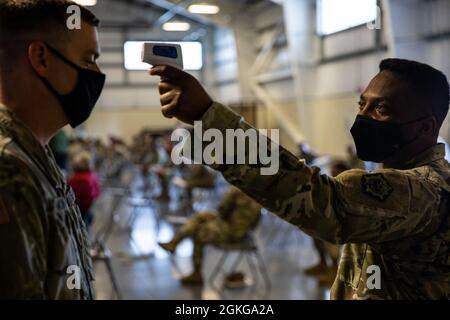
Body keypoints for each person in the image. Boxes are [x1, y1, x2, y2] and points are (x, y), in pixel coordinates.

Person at [150, 58, 450, 299]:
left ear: (424, 128)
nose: (365, 116)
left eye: (381, 108)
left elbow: (319, 198)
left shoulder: (425, 191)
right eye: (363, 105)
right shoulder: (396, 179)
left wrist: (208, 116)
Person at [0, 0, 104, 299]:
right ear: (42, 58)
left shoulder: (34, 155)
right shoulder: (9, 168)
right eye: (88, 59)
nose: (96, 73)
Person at [158, 186, 262, 285]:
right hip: (242, 231)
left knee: (200, 232)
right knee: (202, 215)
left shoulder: (237, 189)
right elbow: (256, 221)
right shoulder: (259, 193)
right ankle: (174, 242)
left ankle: (196, 272)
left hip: (232, 232)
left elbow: (223, 209)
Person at [305, 162, 350, 287]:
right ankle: (323, 264)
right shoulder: (332, 186)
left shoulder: (349, 186)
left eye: (336, 173)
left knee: (330, 234)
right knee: (314, 231)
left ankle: (335, 272)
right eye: (332, 173)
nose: (333, 175)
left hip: (345, 226)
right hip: (333, 222)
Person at [68, 151, 101, 233]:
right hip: (88, 209)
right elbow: (98, 192)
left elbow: (68, 194)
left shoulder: (78, 178)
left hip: (79, 210)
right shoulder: (92, 175)